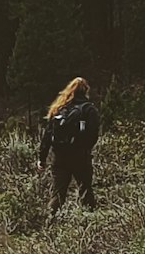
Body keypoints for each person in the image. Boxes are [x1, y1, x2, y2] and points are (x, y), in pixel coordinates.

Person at [37, 77, 99, 214]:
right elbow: (94, 134)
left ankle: (51, 221)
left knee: (58, 194)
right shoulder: (89, 109)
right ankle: (89, 222)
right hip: (81, 157)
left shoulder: (59, 109)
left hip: (59, 158)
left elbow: (47, 136)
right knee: (85, 190)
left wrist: (41, 159)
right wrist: (85, 149)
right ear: (86, 91)